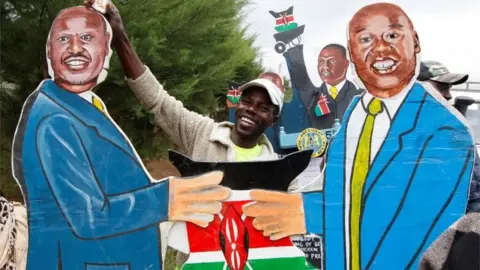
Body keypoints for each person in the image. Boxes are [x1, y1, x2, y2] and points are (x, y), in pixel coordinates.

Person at [242, 3, 475, 270]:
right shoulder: (355, 114)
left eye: (392, 36)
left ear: (415, 42)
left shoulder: (446, 130)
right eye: (365, 39)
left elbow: (411, 224)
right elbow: (338, 191)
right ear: (353, 53)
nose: (379, 48)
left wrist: (307, 213)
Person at [11, 6, 229, 270]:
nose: (76, 48)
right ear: (49, 49)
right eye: (64, 39)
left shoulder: (83, 105)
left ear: (106, 51)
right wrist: (166, 198)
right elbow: (88, 216)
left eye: (87, 38)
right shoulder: (53, 120)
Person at [83, 1, 291, 267]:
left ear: (273, 120)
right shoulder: (202, 133)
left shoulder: (278, 171)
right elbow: (156, 99)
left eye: (263, 108)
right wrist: (120, 37)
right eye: (247, 101)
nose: (251, 110)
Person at [418, 60, 480, 213]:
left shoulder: (454, 128)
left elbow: (474, 184)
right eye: (442, 88)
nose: (448, 95)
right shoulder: (395, 131)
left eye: (449, 88)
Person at [282, 42, 363, 129]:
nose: (324, 67)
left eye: (332, 61)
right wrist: (292, 42)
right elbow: (301, 79)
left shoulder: (361, 96)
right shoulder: (313, 97)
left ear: (345, 64)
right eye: (321, 61)